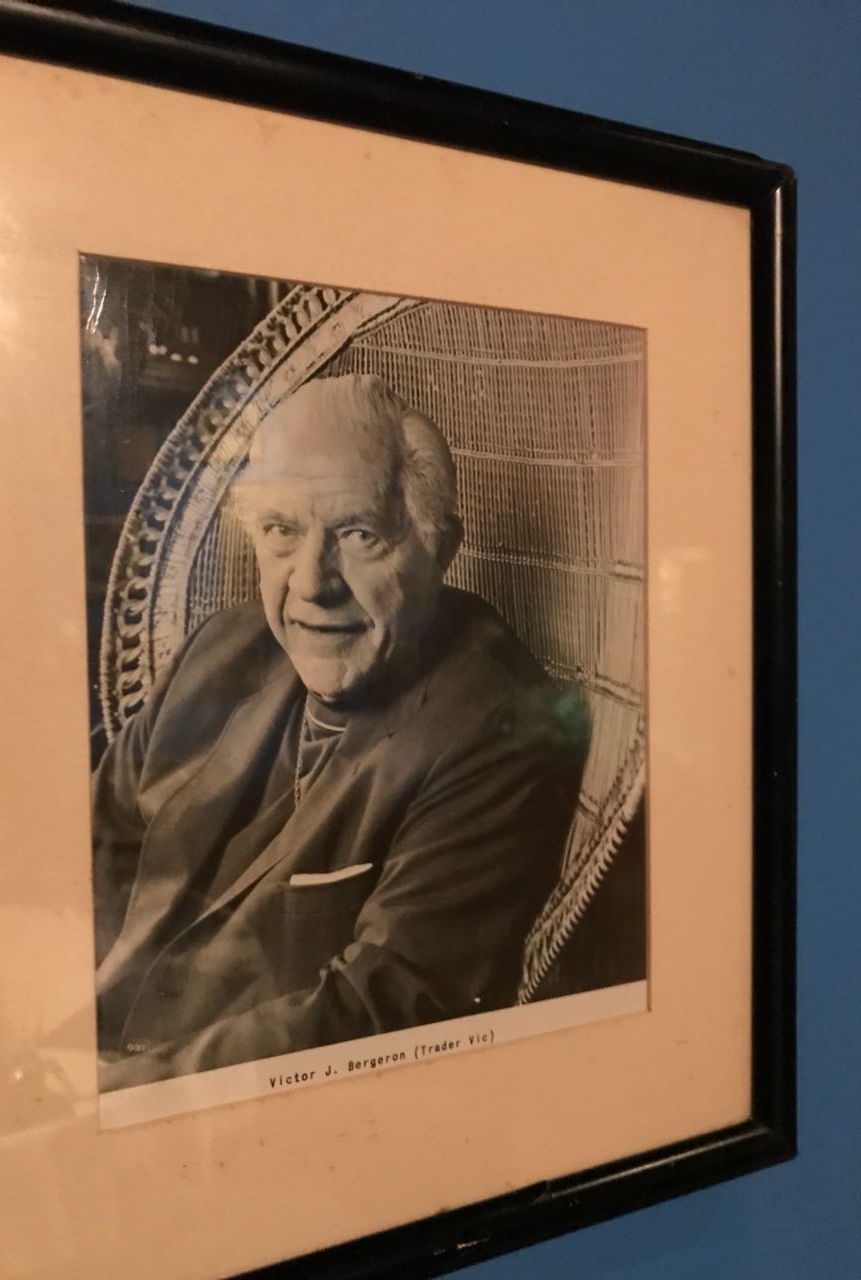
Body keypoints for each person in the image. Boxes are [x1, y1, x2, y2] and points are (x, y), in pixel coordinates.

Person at [93, 373, 588, 1091]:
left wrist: (116, 1093)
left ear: (440, 549)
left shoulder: (499, 728)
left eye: (358, 535)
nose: (310, 584)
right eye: (281, 532)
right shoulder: (221, 651)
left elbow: (378, 1011)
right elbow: (92, 847)